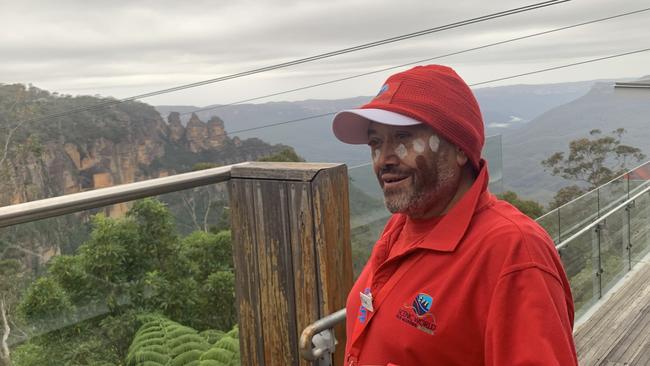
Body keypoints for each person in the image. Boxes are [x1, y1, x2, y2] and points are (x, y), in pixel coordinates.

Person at [331, 65, 577, 365]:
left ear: (460, 148)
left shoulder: (514, 254)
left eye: (403, 138)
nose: (384, 159)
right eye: (376, 143)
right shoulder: (403, 224)